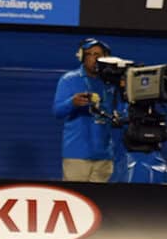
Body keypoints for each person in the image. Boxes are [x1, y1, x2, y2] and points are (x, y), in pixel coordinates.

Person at [52, 39, 121, 183]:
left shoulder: (112, 82)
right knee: (75, 198)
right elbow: (57, 112)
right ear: (82, 57)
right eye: (90, 54)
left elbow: (119, 112)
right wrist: (72, 103)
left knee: (101, 201)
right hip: (77, 154)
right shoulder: (69, 80)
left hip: (104, 155)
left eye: (98, 54)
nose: (95, 58)